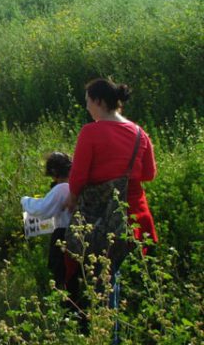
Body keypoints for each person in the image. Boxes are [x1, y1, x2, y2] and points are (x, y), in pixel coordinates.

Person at [64, 78, 157, 340]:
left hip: (101, 218)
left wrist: (71, 201)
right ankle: (115, 329)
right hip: (135, 216)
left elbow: (78, 177)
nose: (87, 108)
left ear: (99, 102)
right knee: (114, 274)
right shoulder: (140, 133)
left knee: (104, 279)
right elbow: (149, 175)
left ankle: (108, 335)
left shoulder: (91, 132)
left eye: (88, 102)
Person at [21, 152, 72, 289]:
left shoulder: (61, 189)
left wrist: (25, 201)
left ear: (55, 173)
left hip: (62, 233)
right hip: (74, 233)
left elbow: (43, 209)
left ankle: (65, 304)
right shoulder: (74, 188)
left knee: (60, 273)